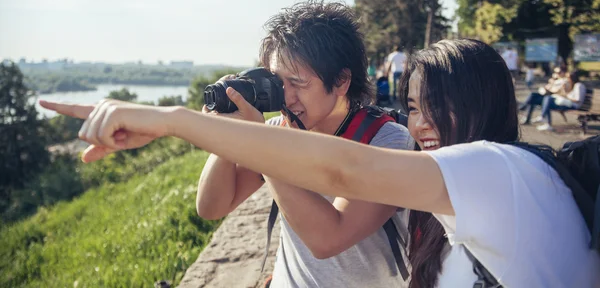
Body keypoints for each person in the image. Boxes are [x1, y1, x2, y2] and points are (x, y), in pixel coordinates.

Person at [40, 39, 600, 287]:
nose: (422, 123)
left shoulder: (493, 169)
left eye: (439, 107)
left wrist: (175, 119)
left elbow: (340, 183)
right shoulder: (453, 205)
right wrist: (233, 133)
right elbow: (211, 206)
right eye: (412, 107)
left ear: (342, 83)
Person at [197, 0, 414, 287]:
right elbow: (211, 208)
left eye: (298, 83)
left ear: (340, 81)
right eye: (278, 82)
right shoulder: (279, 132)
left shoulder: (386, 140)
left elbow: (328, 239)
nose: (286, 97)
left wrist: (261, 146)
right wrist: (227, 133)